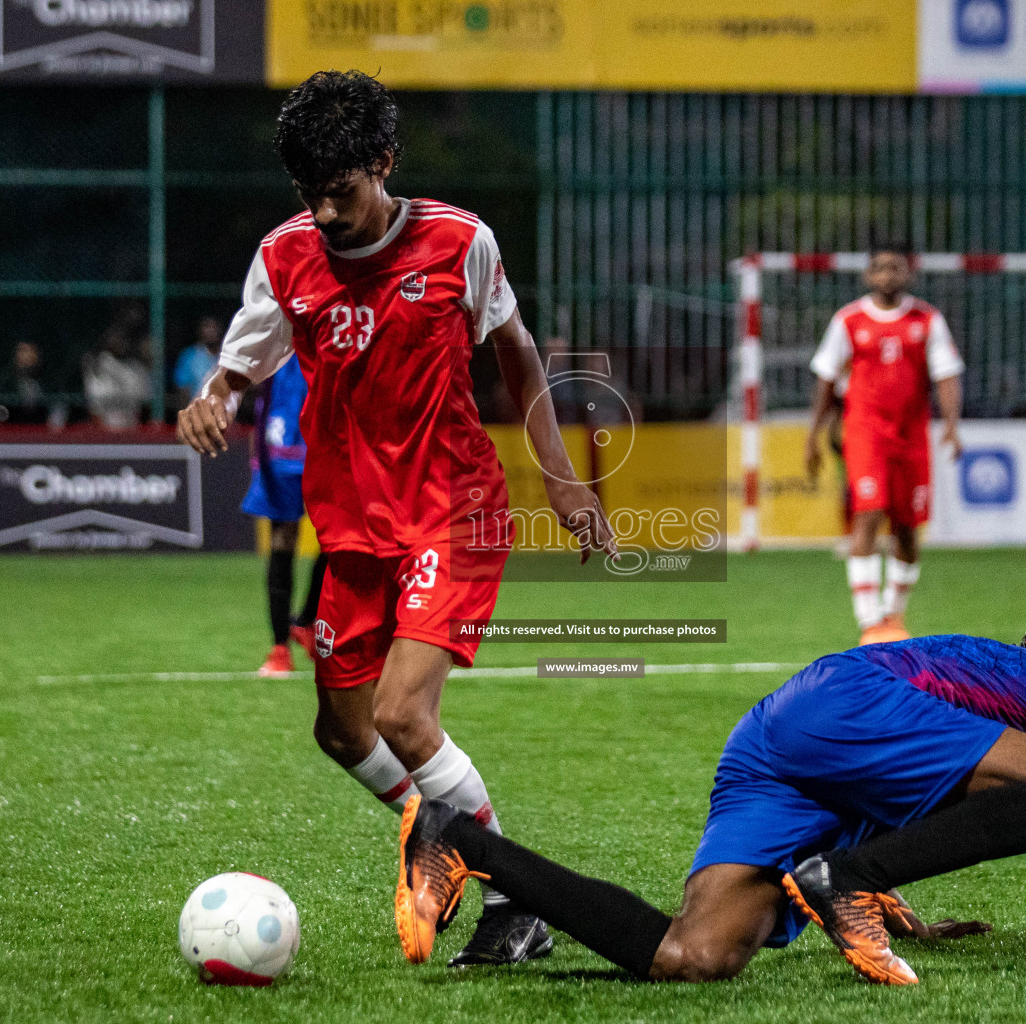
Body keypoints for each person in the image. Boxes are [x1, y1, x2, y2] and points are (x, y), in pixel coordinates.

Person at [176, 70, 616, 966]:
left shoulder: (461, 244)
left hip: (454, 508)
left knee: (403, 715)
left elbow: (519, 354)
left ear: (383, 163)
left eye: (340, 194)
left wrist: (563, 480)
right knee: (341, 730)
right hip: (353, 526)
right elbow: (240, 360)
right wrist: (211, 395)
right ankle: (438, 827)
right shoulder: (285, 256)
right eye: (310, 196)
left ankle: (516, 901)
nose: (327, 215)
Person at [394, 619, 1026, 983]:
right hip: (847, 706)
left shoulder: (977, 700)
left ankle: (458, 838)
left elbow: (898, 796)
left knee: (694, 955)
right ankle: (845, 884)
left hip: (781, 734)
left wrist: (899, 908)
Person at [804, 244, 965, 645]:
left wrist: (951, 425)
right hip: (865, 430)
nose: (887, 274)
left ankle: (893, 615)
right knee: (869, 511)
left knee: (908, 529)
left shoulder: (927, 319)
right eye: (879, 267)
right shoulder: (849, 320)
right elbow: (826, 378)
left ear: (907, 274)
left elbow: (945, 374)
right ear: (867, 276)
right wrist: (813, 435)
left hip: (911, 436)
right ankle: (868, 620)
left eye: (895, 267)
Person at [239, 352, 328, 677]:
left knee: (340, 535)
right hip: (281, 432)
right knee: (283, 535)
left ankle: (307, 621)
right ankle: (279, 649)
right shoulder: (280, 312)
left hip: (326, 429)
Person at [84, 311, 151, 430]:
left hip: (131, 426)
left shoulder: (135, 367)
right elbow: (94, 405)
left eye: (122, 338)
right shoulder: (97, 363)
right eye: (115, 337)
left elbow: (143, 399)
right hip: (103, 426)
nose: (119, 342)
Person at [173, 316, 223, 409]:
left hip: (224, 415)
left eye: (214, 327)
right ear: (200, 330)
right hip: (197, 414)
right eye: (207, 326)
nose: (211, 331)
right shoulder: (189, 356)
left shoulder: (227, 356)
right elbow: (183, 391)